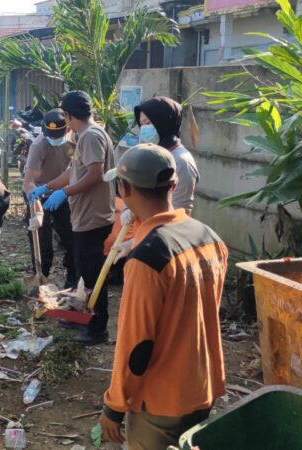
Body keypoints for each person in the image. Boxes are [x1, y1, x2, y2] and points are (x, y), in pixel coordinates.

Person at [99, 144, 227, 449]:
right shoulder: (209, 237)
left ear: (124, 187)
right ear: (174, 184)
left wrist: (114, 406)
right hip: (202, 387)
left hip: (160, 401)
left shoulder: (148, 259)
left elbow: (135, 344)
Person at [31, 91, 115, 345]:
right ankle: (82, 317)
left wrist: (63, 193)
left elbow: (95, 174)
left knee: (91, 275)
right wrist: (47, 187)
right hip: (85, 216)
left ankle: (97, 328)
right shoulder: (83, 136)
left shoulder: (90, 136)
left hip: (94, 217)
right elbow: (73, 171)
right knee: (83, 272)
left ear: (68, 115)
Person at [22, 109, 78, 288]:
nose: (54, 139)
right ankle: (41, 277)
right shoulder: (39, 145)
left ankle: (72, 276)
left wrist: (64, 191)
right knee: (41, 238)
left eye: (58, 135)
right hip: (38, 192)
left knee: (70, 236)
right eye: (50, 135)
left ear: (67, 129)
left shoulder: (74, 140)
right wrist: (37, 205)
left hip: (61, 193)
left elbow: (75, 169)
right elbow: (28, 182)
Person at [134, 96, 199, 214]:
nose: (144, 129)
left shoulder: (181, 161)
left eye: (148, 123)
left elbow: (180, 212)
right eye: (142, 124)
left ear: (163, 123)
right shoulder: (153, 154)